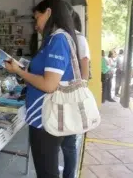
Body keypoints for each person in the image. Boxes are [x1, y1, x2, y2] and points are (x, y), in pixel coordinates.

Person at [5, 0, 78, 178]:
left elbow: (49, 84)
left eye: (36, 18)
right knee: (46, 170)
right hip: (43, 118)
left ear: (48, 12)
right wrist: (23, 70)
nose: (35, 25)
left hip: (46, 120)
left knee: (47, 172)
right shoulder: (53, 41)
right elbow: (44, 77)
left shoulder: (58, 40)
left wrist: (20, 72)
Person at [61, 11, 90, 178]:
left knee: (69, 143)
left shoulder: (78, 38)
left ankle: (69, 175)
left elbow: (84, 68)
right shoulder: (62, 37)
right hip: (60, 96)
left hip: (71, 96)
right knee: (65, 141)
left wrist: (79, 91)